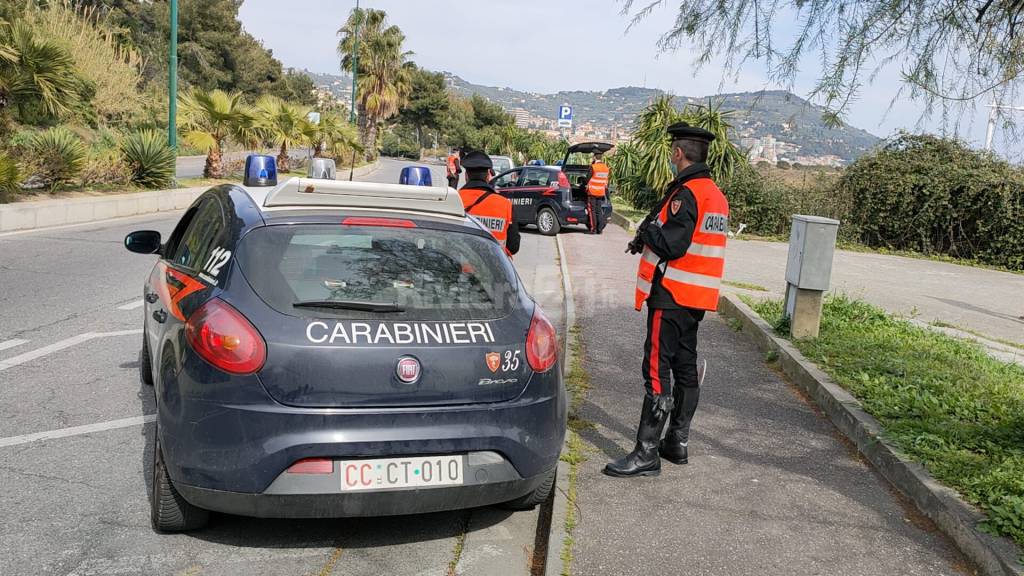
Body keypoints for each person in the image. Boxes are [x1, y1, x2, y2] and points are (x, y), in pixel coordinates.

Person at [604, 122, 729, 478]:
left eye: (672, 151)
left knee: (657, 371)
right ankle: (677, 443)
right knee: (685, 368)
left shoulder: (685, 194)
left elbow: (673, 244)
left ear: (678, 153)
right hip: (695, 296)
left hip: (671, 292)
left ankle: (646, 453)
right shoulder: (714, 195)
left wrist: (647, 231)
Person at [458, 150, 520, 257]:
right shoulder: (505, 204)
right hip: (493, 269)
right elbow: (513, 246)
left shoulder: (455, 199)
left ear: (466, 176)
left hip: (461, 270)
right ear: (487, 176)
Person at [584, 151, 610, 234]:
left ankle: (593, 229)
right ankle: (600, 229)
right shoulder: (606, 167)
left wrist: (584, 184)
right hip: (600, 192)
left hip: (592, 191)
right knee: (599, 211)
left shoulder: (593, 167)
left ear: (595, 157)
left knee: (592, 211)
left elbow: (587, 179)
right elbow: (606, 181)